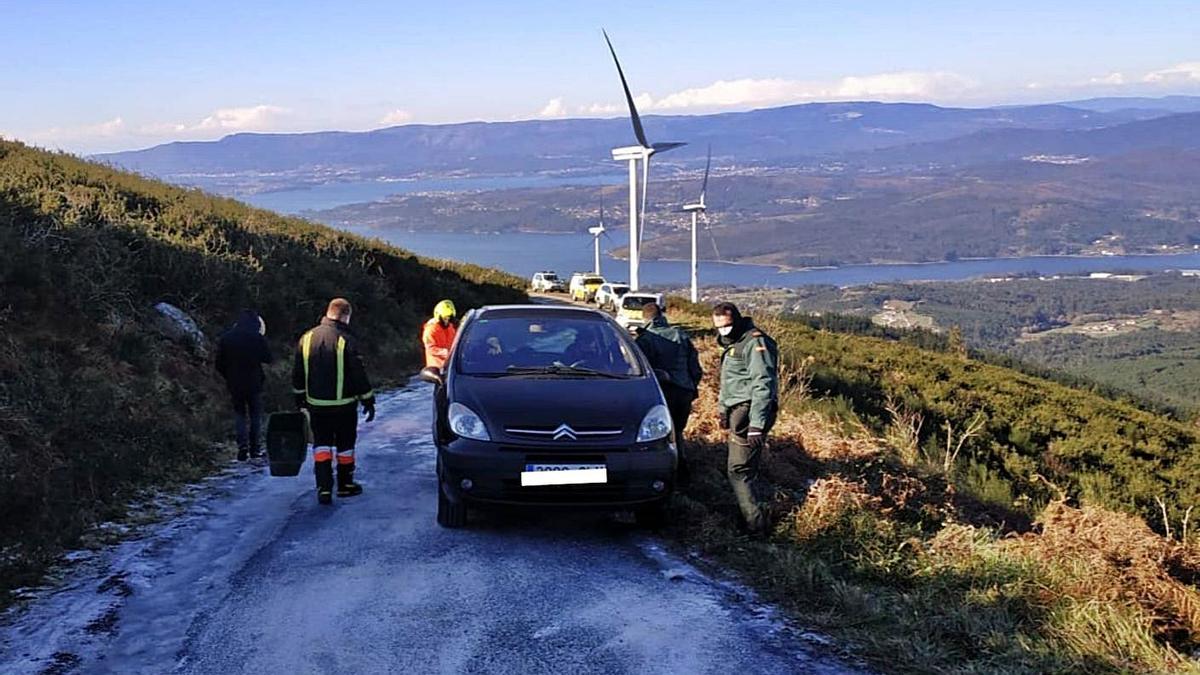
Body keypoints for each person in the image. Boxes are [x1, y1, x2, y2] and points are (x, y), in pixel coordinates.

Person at [292, 298, 376, 505]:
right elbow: (358, 373)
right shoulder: (346, 339)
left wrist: (300, 398)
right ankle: (345, 485)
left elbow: (297, 373)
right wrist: (368, 399)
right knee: (345, 446)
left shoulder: (307, 337)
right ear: (346, 316)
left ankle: (324, 488)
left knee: (321, 445)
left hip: (316, 405)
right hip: (344, 406)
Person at [712, 301, 779, 534]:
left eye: (726, 326)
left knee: (738, 470)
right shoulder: (735, 343)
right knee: (747, 468)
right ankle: (753, 515)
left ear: (737, 321)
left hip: (748, 413)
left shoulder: (753, 342)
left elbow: (763, 384)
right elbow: (729, 382)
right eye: (718, 327)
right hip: (737, 410)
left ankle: (755, 525)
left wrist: (756, 425)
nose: (723, 331)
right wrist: (722, 410)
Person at [633, 301, 703, 484]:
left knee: (662, 437)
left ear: (644, 318)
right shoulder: (681, 335)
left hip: (661, 393)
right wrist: (691, 387)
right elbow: (695, 368)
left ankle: (669, 474)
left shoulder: (644, 340)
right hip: (684, 391)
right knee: (678, 431)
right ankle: (683, 471)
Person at [215, 309, 273, 461]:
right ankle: (255, 449)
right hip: (254, 382)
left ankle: (242, 447)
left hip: (234, 383)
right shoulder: (257, 337)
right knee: (255, 415)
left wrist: (228, 376)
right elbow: (268, 358)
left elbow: (219, 364)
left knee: (239, 414)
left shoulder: (227, 338)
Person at [423, 300, 458, 373]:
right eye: (445, 318)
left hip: (450, 366)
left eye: (449, 318)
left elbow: (456, 342)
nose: (447, 320)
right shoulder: (431, 329)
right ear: (439, 316)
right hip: (436, 369)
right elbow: (430, 348)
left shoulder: (450, 327)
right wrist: (446, 352)